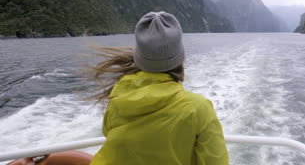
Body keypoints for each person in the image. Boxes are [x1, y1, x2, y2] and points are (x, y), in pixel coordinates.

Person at [88, 11, 229, 165]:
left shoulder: (117, 99)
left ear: (139, 58)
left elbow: (108, 133)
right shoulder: (198, 108)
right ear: (180, 58)